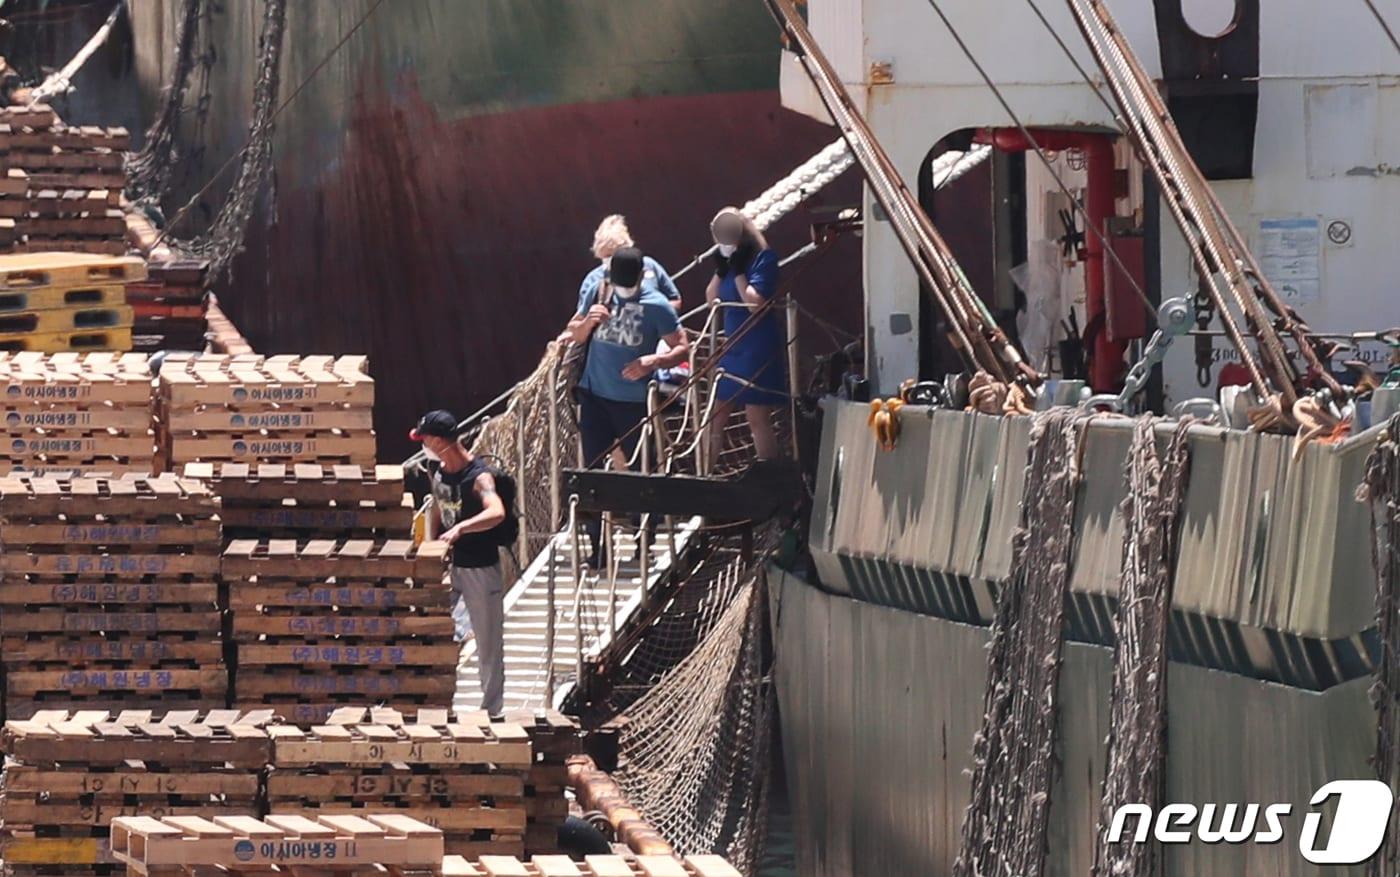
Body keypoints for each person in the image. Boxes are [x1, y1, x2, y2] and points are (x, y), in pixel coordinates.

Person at [566, 245, 690, 566]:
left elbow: (682, 347)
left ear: (640, 277)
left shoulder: (656, 304)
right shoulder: (599, 292)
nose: (621, 288)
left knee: (641, 473)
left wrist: (653, 361)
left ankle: (643, 542)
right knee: (592, 472)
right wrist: (589, 323)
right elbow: (575, 335)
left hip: (633, 403)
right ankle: (597, 549)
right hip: (594, 397)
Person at [412, 409, 507, 717]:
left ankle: (492, 711)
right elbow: (438, 508)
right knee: (437, 633)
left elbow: (497, 512)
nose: (423, 445)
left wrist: (462, 528)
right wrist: (430, 548)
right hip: (452, 568)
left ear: (440, 441)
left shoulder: (478, 477)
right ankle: (440, 705)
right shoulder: (439, 472)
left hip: (481, 569)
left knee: (488, 642)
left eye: (425, 439)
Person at [705, 207, 785, 463]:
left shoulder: (764, 259)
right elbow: (711, 300)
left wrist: (739, 272)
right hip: (734, 346)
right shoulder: (728, 261)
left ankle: (769, 471)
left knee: (757, 416)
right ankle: (705, 471)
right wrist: (721, 270)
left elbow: (754, 303)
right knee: (716, 415)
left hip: (756, 346)